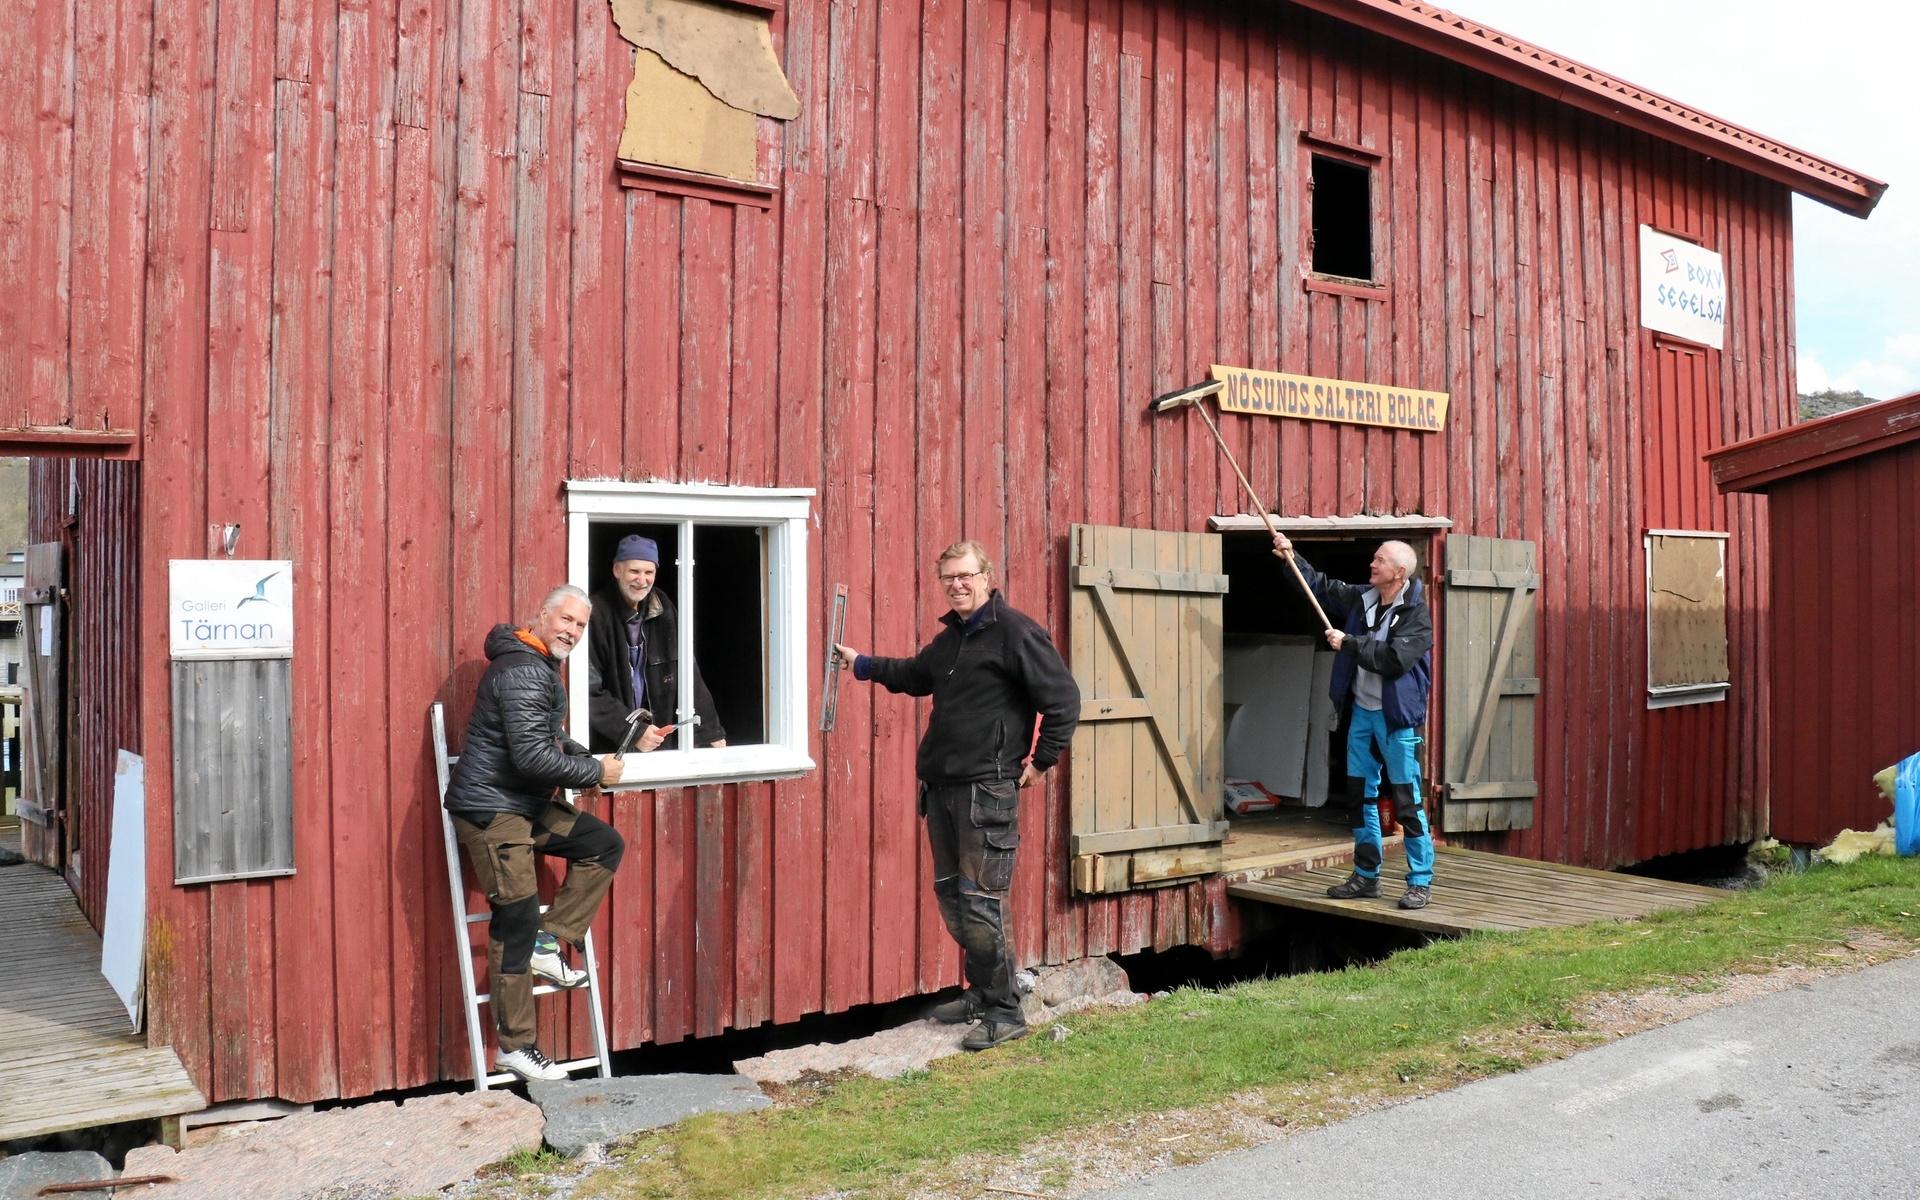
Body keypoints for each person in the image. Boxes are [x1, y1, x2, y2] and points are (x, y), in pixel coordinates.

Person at [834, 540, 1080, 1050]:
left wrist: (1041, 761)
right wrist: (862, 664)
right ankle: (983, 992)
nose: (957, 585)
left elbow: (1062, 699)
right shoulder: (952, 640)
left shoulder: (1014, 632)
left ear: (986, 576)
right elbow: (912, 676)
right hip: (942, 790)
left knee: (980, 901)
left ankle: (1006, 1013)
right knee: (955, 898)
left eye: (966, 576)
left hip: (985, 792)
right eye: (948, 578)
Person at [444, 584, 627, 1082]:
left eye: (581, 624)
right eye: (565, 619)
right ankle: (516, 1047)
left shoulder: (538, 663)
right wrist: (595, 774)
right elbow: (531, 758)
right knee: (516, 917)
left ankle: (551, 942)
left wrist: (585, 757)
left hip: (520, 802)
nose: (572, 630)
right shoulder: (526, 668)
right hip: (491, 809)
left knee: (601, 844)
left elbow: (546, 738)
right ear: (541, 615)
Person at [1271, 532, 1437, 910]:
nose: (1371, 564)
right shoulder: (1364, 597)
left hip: (1396, 722)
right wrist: (1291, 557)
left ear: (1398, 572)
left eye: (1378, 560)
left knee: (1406, 801)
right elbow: (1321, 587)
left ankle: (1420, 881)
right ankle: (1366, 876)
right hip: (1362, 713)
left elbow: (1394, 659)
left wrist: (1349, 643)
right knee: (1359, 796)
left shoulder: (1417, 616)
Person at [587, 534, 727, 753]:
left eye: (649, 572)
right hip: (610, 746)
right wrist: (631, 732)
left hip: (658, 741)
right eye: (634, 571)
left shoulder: (662, 606)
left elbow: (687, 670)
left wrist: (710, 732)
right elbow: (587, 690)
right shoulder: (596, 614)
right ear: (617, 570)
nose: (642, 580)